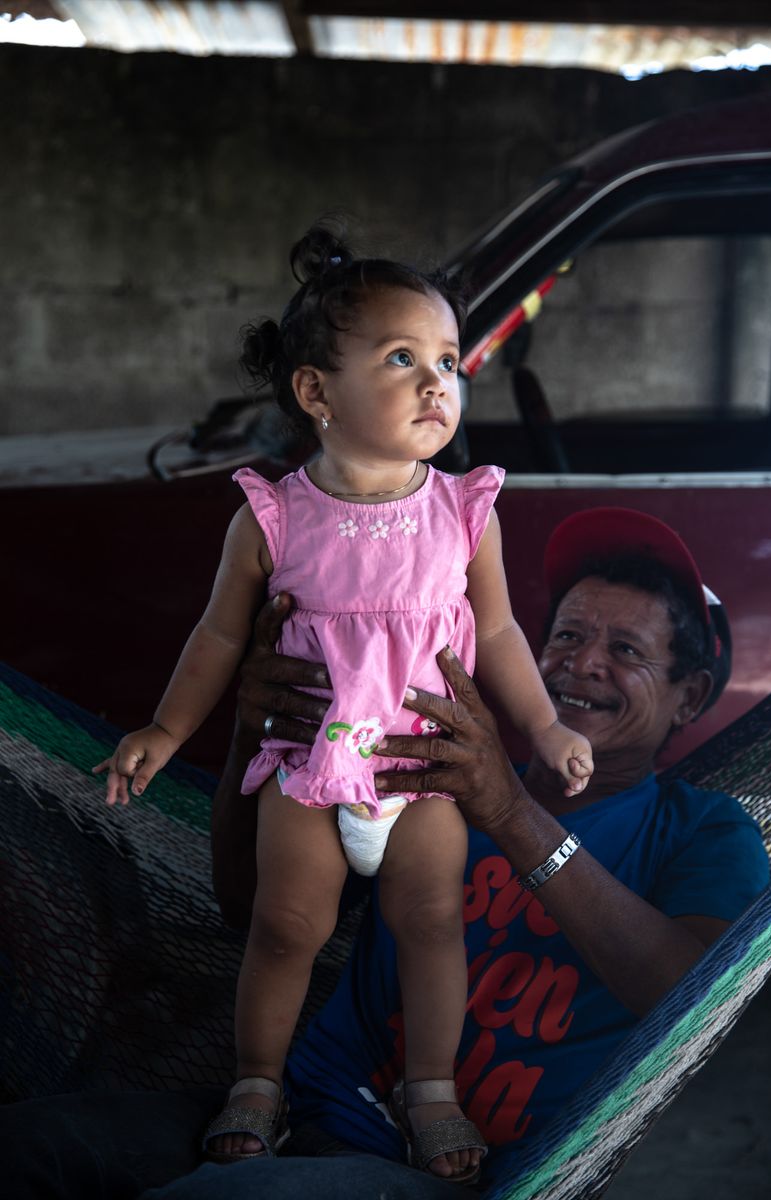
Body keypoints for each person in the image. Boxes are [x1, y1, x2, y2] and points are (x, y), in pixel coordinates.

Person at [1, 506, 769, 1200]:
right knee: (27, 1147)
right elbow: (244, 903)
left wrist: (506, 809)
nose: (581, 664)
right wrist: (256, 735)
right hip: (295, 1110)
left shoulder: (704, 830)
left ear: (691, 696)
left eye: (626, 649)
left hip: (451, 1171)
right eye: (567, 635)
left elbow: (685, 997)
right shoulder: (424, 766)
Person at [92, 224, 592, 1183]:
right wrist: (165, 729)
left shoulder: (464, 511)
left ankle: (432, 1091)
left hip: (425, 771)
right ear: (315, 393)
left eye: (449, 359)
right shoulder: (272, 516)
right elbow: (220, 639)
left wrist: (544, 724)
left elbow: (496, 637)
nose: (438, 380)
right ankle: (256, 1081)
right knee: (286, 927)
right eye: (402, 358)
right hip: (310, 769)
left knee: (433, 922)